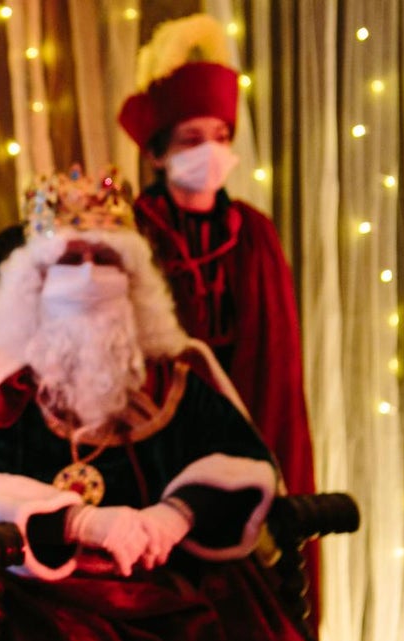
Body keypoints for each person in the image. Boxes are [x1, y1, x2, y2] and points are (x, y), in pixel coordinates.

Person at [0, 166, 349, 641]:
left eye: (105, 260)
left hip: (183, 569)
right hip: (59, 590)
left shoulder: (175, 374)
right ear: (34, 283)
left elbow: (246, 461)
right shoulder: (0, 382)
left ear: (135, 281)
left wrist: (177, 513)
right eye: (71, 259)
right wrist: (80, 524)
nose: (88, 276)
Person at [117, 13, 315, 497]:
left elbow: (278, 363)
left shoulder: (253, 232)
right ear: (157, 154)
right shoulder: (132, 231)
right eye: (192, 139)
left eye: (221, 137)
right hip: (162, 429)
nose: (211, 151)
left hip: (249, 414)